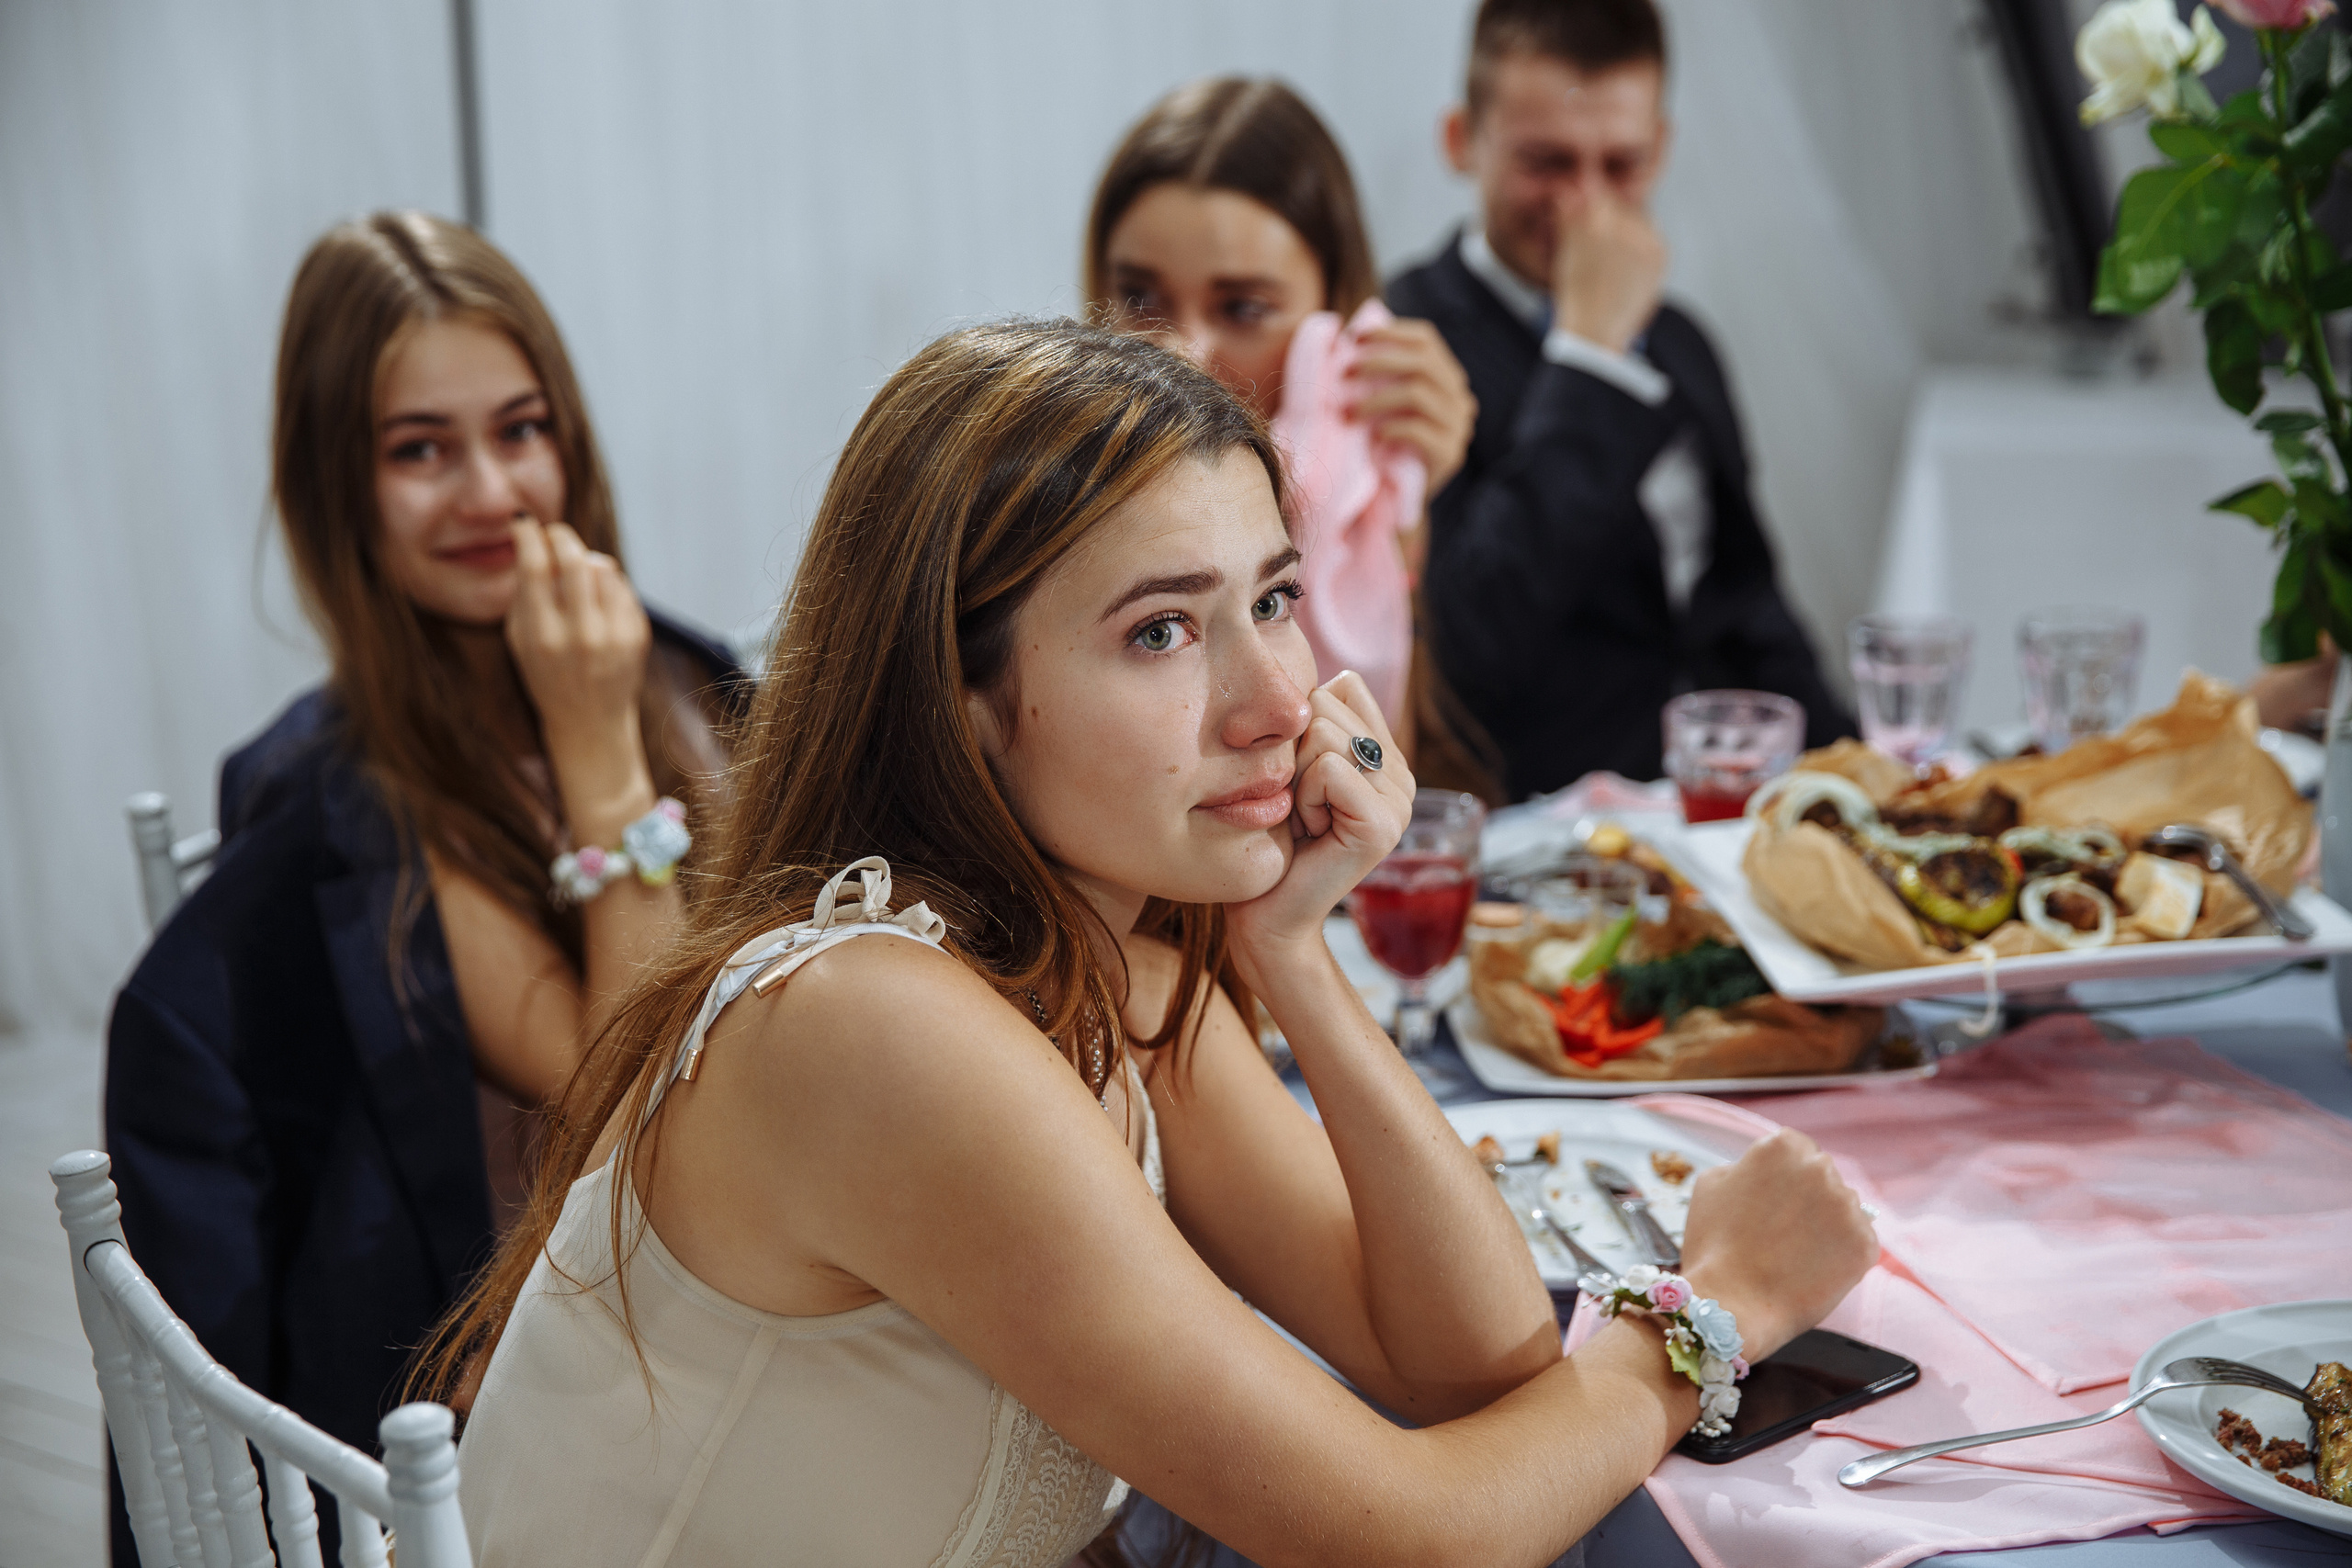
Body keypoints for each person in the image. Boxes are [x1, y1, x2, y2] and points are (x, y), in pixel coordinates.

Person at [426, 319, 1876, 1567]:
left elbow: (1463, 1366)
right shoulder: (873, 1021)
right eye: (1160, 633)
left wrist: (1293, 952)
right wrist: (1715, 1309)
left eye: (1274, 599)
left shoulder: (1095, 960)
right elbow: (1419, 1528)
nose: (1270, 701)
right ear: (965, 698)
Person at [104, 211, 743, 1554]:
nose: (491, 491)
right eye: (418, 451)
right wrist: (592, 752)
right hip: (553, 1409)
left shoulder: (692, 682)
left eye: (520, 430)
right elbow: (640, 1106)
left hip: (753, 1301)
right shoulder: (353, 810)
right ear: (339, 485)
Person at [1387, 0, 1851, 800]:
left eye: (1622, 165)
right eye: (1548, 162)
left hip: (1713, 807)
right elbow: (1464, 649)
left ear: (1662, 149)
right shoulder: (1403, 340)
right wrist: (1589, 357)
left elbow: (1742, 603)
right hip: (1530, 827)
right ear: (1463, 140)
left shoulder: (1681, 341)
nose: (1587, 207)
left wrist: (1858, 768)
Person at [1087, 77, 1500, 796]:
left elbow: (1385, 788)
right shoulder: (1040, 498)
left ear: (1332, 325)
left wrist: (1396, 522)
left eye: (1243, 307)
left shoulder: (1386, 488)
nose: (1179, 354)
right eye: (1140, 298)